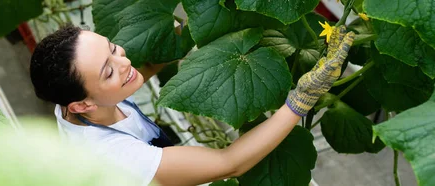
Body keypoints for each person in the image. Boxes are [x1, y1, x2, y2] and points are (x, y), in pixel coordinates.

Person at [30, 24, 354, 186]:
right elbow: (230, 163)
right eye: (109, 70)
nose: (124, 62)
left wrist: (192, 29)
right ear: (82, 105)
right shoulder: (114, 157)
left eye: (114, 48)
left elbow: (138, 70)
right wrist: (301, 100)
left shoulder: (82, 100)